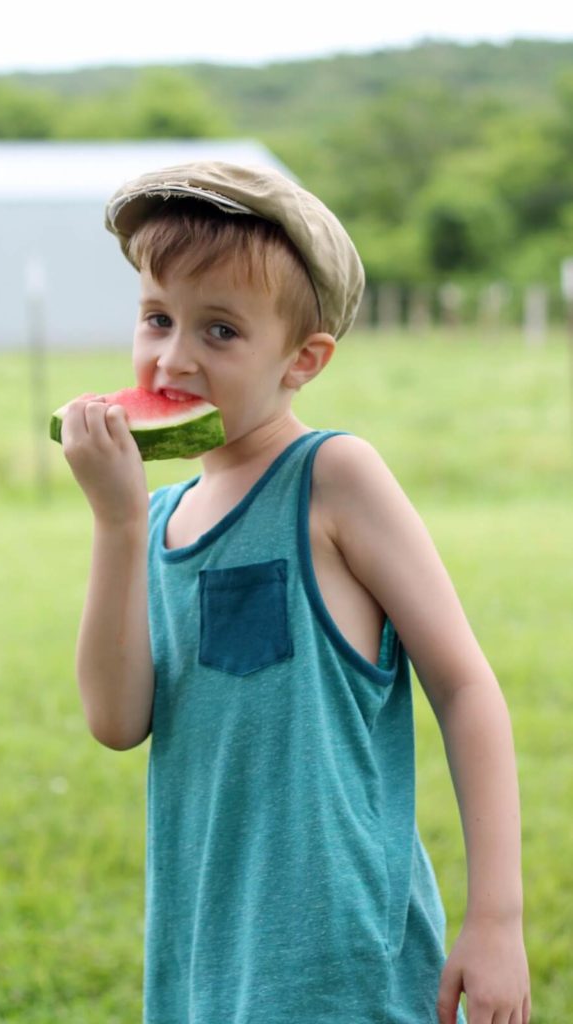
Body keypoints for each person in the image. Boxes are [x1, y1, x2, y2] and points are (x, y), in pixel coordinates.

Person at [59, 161, 531, 1024]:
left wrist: (496, 919)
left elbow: (465, 687)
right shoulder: (156, 519)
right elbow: (116, 721)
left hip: (344, 963)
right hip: (206, 959)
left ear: (303, 360)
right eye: (158, 317)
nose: (173, 357)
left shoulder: (333, 478)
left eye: (222, 331)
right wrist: (118, 526)